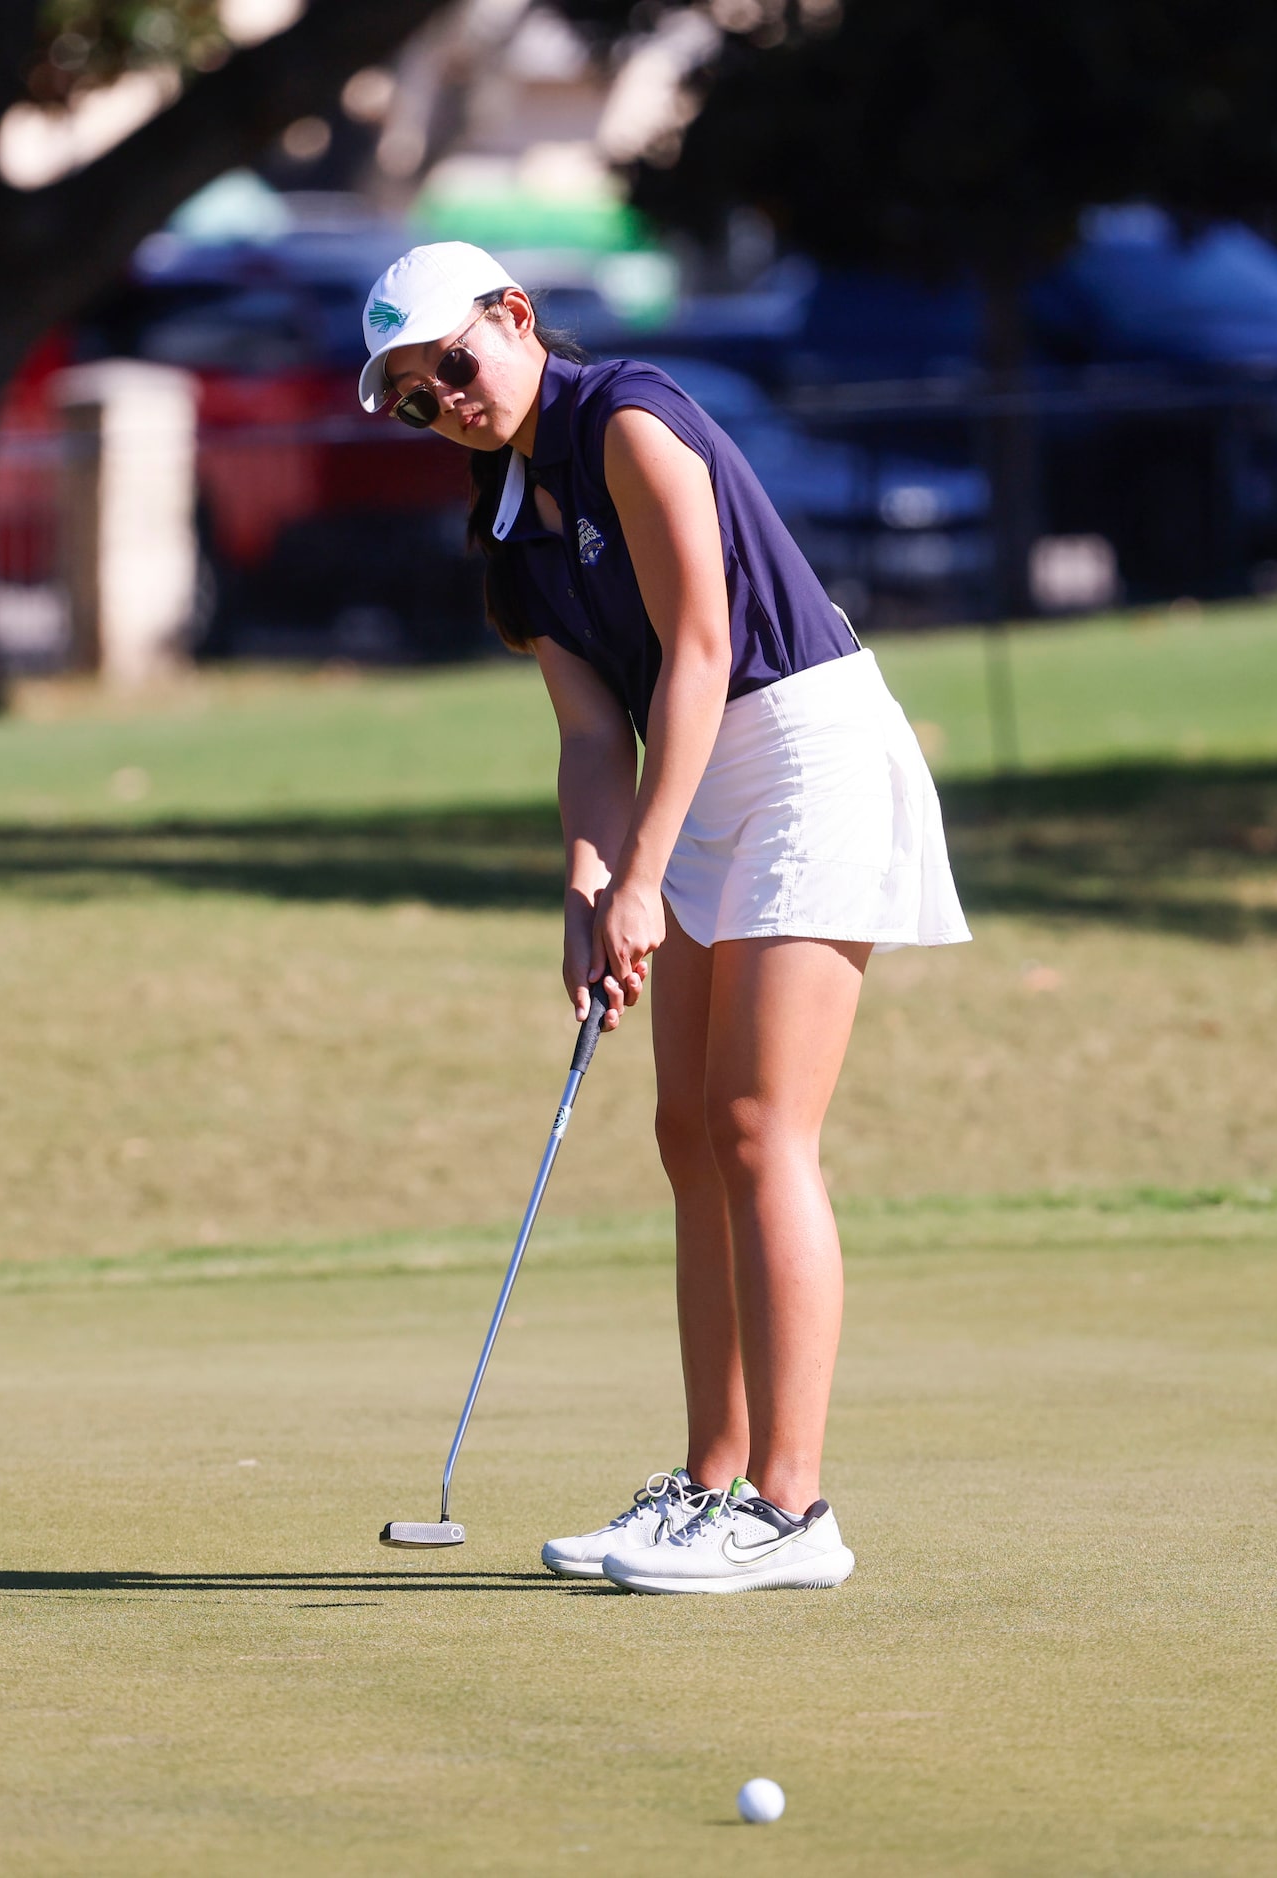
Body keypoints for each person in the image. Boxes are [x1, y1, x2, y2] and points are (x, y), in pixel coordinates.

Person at [359, 242, 970, 1595]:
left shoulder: (626, 415)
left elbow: (699, 647)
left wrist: (644, 870)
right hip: (697, 775)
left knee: (760, 1125)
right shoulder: (508, 530)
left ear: (516, 319)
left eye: (454, 363)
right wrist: (591, 877)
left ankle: (794, 1510)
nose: (447, 400)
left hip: (802, 744)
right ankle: (708, 1485)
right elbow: (593, 729)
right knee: (687, 1129)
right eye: (414, 397)